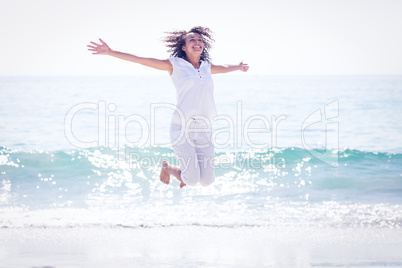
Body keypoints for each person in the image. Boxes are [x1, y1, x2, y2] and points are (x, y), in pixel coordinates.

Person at [87, 26, 249, 188]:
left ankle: (181, 172)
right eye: (192, 40)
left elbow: (225, 68)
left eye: (200, 40)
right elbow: (141, 59)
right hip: (181, 127)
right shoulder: (175, 65)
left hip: (204, 127)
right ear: (184, 47)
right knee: (192, 180)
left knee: (207, 181)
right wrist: (111, 52)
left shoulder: (206, 67)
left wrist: (239, 67)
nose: (197, 42)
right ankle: (168, 168)